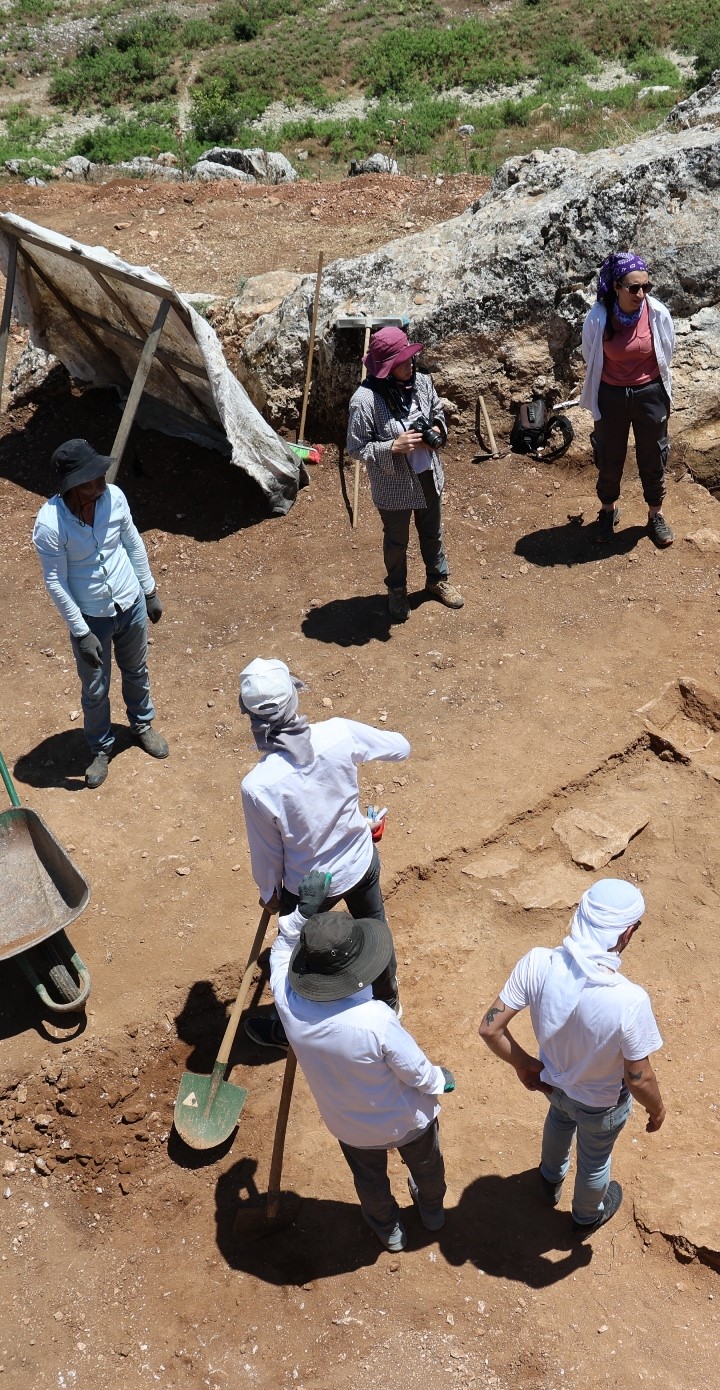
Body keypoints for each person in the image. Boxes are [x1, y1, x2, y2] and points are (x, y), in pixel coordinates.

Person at [477, 878, 666, 1234]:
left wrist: (524, 1063)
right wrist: (657, 1110)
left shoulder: (537, 962)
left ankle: (549, 1182)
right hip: (602, 1103)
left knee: (559, 1124)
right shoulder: (630, 1000)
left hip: (553, 1084)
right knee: (594, 1163)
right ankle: (585, 1216)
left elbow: (490, 1028)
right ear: (625, 932)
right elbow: (638, 1078)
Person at [271, 898, 453, 1252]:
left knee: (369, 1180)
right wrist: (439, 1080)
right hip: (407, 1120)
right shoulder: (376, 1020)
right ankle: (432, 1211)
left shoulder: (289, 1004)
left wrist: (301, 915)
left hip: (351, 1127)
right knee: (428, 1167)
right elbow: (415, 1071)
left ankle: (389, 1231)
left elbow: (278, 955)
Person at [238, 657, 410, 1010]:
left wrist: (269, 892)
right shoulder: (338, 734)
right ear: (294, 699)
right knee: (375, 928)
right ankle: (388, 1000)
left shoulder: (258, 785)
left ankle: (301, 1022)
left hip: (308, 890)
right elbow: (401, 748)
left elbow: (267, 853)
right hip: (360, 862)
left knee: (305, 956)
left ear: (251, 716)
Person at [32, 437, 169, 790]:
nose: (100, 484)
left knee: (136, 669)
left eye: (100, 475)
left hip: (130, 602)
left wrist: (149, 591)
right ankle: (100, 748)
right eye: (91, 480)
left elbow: (132, 542)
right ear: (72, 486)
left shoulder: (115, 498)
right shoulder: (50, 525)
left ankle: (141, 726)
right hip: (92, 616)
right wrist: (81, 631)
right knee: (95, 688)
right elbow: (55, 582)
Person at [345, 326, 463, 624]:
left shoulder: (422, 382)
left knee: (432, 532)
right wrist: (392, 446)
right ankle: (397, 590)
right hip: (393, 484)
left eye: (411, 357)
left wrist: (437, 429)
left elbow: (437, 412)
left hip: (428, 474)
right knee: (397, 542)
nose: (410, 364)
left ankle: (437, 579)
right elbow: (356, 448)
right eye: (402, 361)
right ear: (386, 368)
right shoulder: (364, 400)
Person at [579, 250, 677, 550]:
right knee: (609, 455)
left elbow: (667, 349)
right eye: (634, 287)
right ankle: (608, 510)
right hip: (611, 395)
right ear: (617, 287)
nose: (641, 293)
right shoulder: (598, 317)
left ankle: (655, 514)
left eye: (645, 286)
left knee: (653, 454)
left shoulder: (657, 312)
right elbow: (589, 354)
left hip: (650, 393)